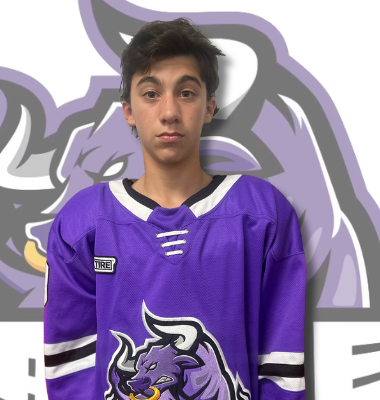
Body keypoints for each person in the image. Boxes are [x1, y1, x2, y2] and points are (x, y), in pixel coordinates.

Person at [43, 18, 306, 400]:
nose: (169, 111)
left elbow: (281, 360)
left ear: (209, 107)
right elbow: (69, 360)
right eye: (151, 93)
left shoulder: (263, 215)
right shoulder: (83, 223)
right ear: (128, 110)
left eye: (186, 92)